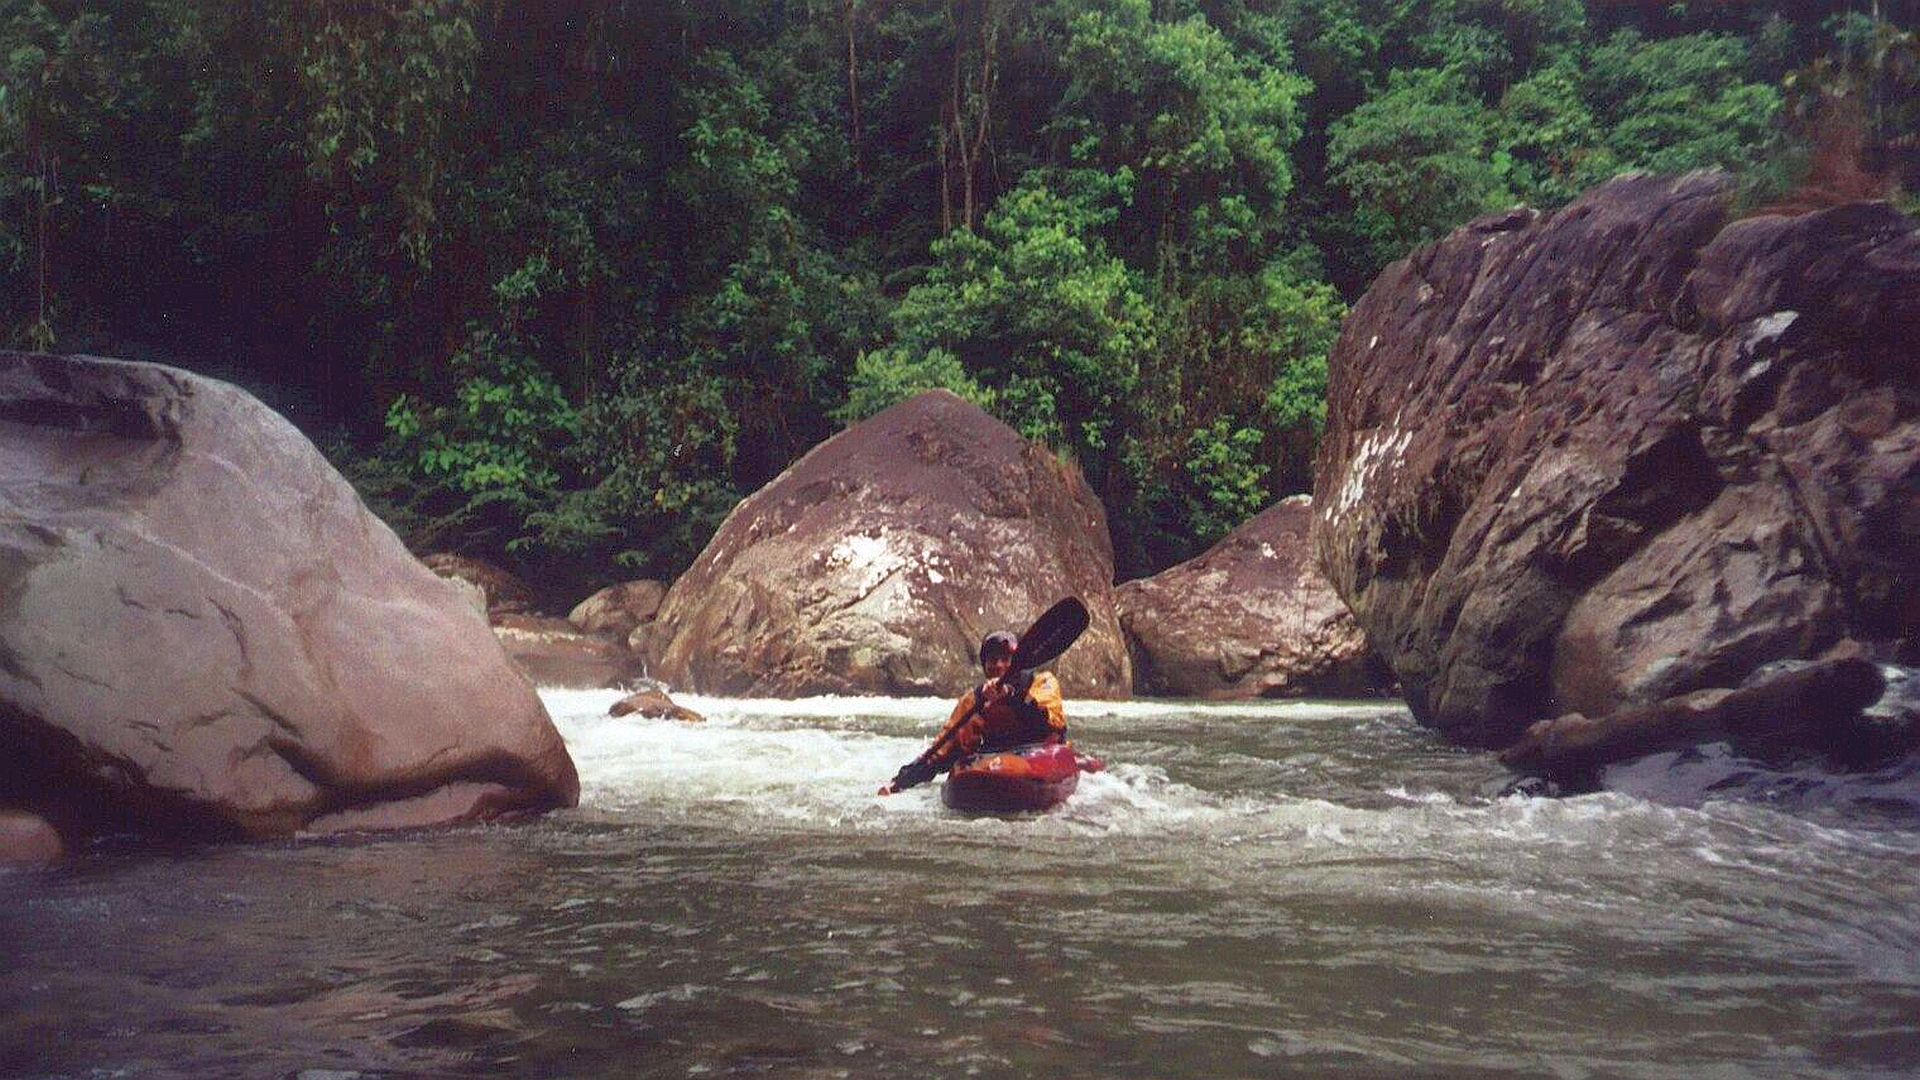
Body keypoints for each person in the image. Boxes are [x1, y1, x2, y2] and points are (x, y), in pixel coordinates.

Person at [879, 629, 1067, 795]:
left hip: (1038, 751)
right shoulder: (973, 700)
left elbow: (1050, 723)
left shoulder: (1042, 683)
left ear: (1016, 662)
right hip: (998, 758)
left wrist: (1010, 695)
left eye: (1005, 659)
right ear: (985, 666)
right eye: (993, 660)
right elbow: (943, 750)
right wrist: (900, 782)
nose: (999, 665)